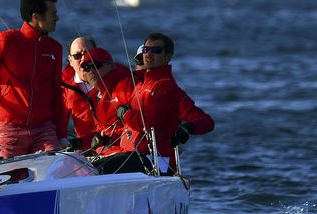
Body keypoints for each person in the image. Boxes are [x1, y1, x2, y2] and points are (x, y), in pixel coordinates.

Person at [0, 0, 68, 159]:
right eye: (53, 13)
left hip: (44, 130)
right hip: (10, 130)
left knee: (57, 172)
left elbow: (56, 94)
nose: (57, 18)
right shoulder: (7, 40)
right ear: (36, 16)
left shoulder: (54, 48)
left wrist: (62, 135)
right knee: (9, 180)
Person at [112, 33, 212, 175]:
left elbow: (206, 122)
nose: (147, 58)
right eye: (141, 57)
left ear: (167, 56)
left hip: (154, 160)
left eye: (156, 51)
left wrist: (188, 128)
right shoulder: (136, 87)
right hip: (132, 154)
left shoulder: (167, 88)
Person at [76, 47, 135, 151]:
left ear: (111, 65)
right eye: (86, 68)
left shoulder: (126, 87)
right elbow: (101, 132)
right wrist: (80, 143)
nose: (91, 71)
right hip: (105, 153)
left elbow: (135, 128)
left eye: (96, 65)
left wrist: (108, 139)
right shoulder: (94, 97)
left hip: (126, 154)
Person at [59, 36, 99, 149]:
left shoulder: (111, 76)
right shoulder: (64, 86)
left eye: (87, 53)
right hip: (86, 148)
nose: (83, 59)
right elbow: (59, 123)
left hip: (115, 143)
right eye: (77, 56)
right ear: (70, 60)